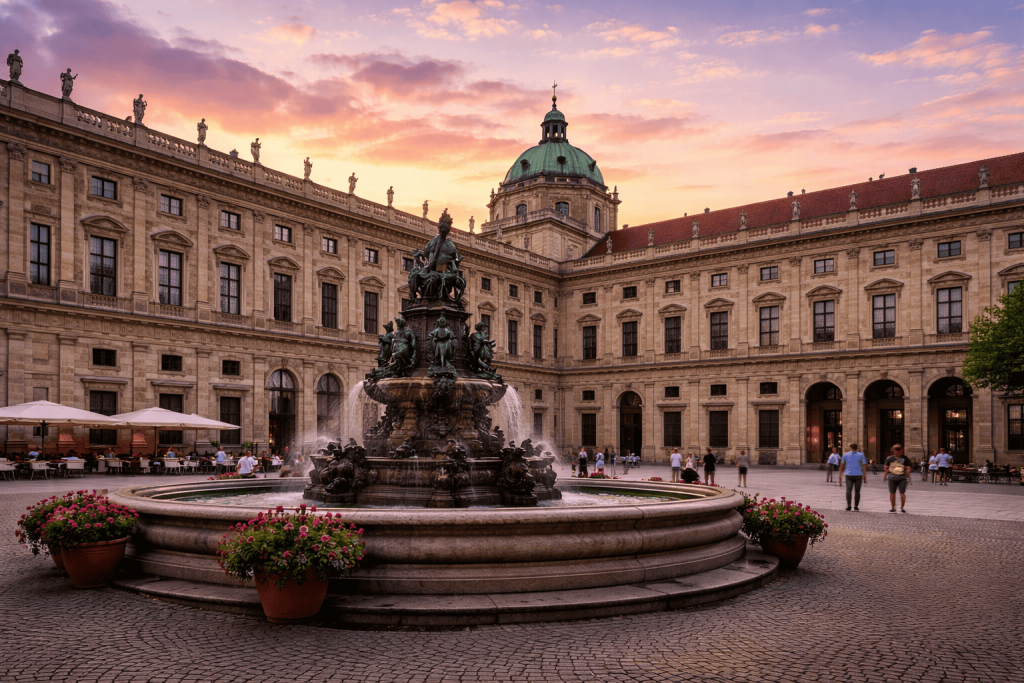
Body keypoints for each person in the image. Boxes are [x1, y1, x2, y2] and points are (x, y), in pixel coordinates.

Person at [839, 442, 868, 511]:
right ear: (857, 447)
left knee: (848, 490)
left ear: (850, 448)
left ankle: (849, 505)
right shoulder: (861, 455)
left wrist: (840, 475)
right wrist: (864, 475)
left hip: (849, 475)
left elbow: (842, 465)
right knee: (857, 491)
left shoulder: (845, 455)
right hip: (858, 475)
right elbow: (864, 465)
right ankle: (856, 506)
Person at [884, 444, 911, 513]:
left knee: (895, 493)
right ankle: (900, 508)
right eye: (896, 451)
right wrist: (907, 473)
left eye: (897, 451)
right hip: (899, 477)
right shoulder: (905, 458)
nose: (897, 452)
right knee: (898, 492)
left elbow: (885, 467)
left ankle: (895, 507)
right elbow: (909, 468)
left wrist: (888, 470)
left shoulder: (889, 458)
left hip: (896, 478)